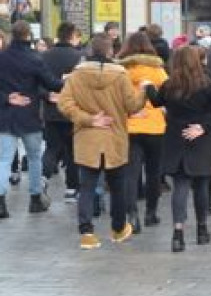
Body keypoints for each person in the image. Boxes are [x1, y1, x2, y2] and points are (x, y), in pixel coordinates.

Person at [57, 34, 148, 249]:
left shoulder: (77, 75)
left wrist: (88, 119)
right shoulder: (121, 76)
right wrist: (144, 91)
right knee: (117, 187)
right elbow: (132, 106)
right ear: (110, 52)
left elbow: (64, 103)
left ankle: (87, 233)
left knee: (86, 187)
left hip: (87, 138)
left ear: (89, 51)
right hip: (114, 137)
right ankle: (118, 229)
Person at [146, 46, 211, 252]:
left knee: (180, 186)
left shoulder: (170, 85)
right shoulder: (206, 84)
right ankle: (202, 230)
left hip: (175, 138)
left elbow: (157, 102)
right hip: (200, 140)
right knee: (201, 186)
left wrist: (148, 87)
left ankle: (178, 233)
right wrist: (203, 126)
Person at [0, 22, 65, 219]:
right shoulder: (35, 58)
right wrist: (69, 79)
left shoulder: (1, 57)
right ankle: (35, 198)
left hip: (6, 115)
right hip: (30, 116)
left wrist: (6, 98)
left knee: (3, 160)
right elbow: (52, 83)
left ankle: (1, 203)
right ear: (28, 35)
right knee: (35, 158)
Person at [117, 31, 168, 232]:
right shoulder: (158, 71)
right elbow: (166, 95)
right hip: (155, 127)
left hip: (130, 125)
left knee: (131, 173)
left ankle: (132, 215)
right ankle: (151, 213)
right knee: (154, 171)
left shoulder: (122, 71)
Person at [40, 22, 83, 201]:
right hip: (73, 111)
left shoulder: (44, 56)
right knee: (73, 152)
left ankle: (43, 177)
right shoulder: (80, 57)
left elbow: (36, 82)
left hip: (51, 110)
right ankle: (71, 189)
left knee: (52, 148)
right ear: (72, 36)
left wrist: (47, 95)